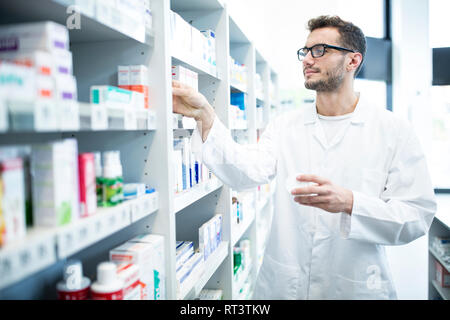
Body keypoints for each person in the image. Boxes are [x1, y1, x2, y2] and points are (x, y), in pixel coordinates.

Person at [172, 15, 436, 299]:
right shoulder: (285, 126)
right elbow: (245, 171)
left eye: (320, 50)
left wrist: (351, 203)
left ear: (353, 61)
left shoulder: (392, 131)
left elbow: (416, 215)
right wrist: (205, 115)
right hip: (286, 284)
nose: (307, 60)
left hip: (355, 286)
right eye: (305, 51)